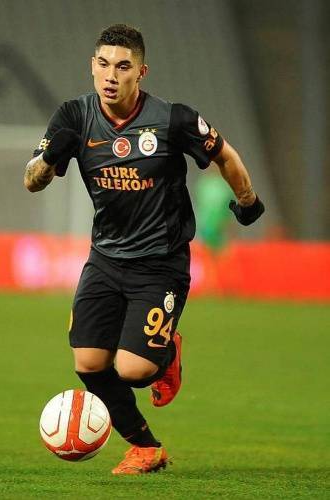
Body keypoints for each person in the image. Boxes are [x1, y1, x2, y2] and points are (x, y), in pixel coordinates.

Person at [24, 24, 264, 475]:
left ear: (141, 72)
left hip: (160, 263)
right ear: (92, 66)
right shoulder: (73, 116)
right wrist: (49, 159)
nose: (110, 75)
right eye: (103, 64)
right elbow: (31, 180)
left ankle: (166, 355)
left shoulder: (173, 120)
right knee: (89, 363)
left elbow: (224, 155)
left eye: (122, 66)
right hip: (105, 259)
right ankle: (145, 447)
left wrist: (247, 202)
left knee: (133, 371)